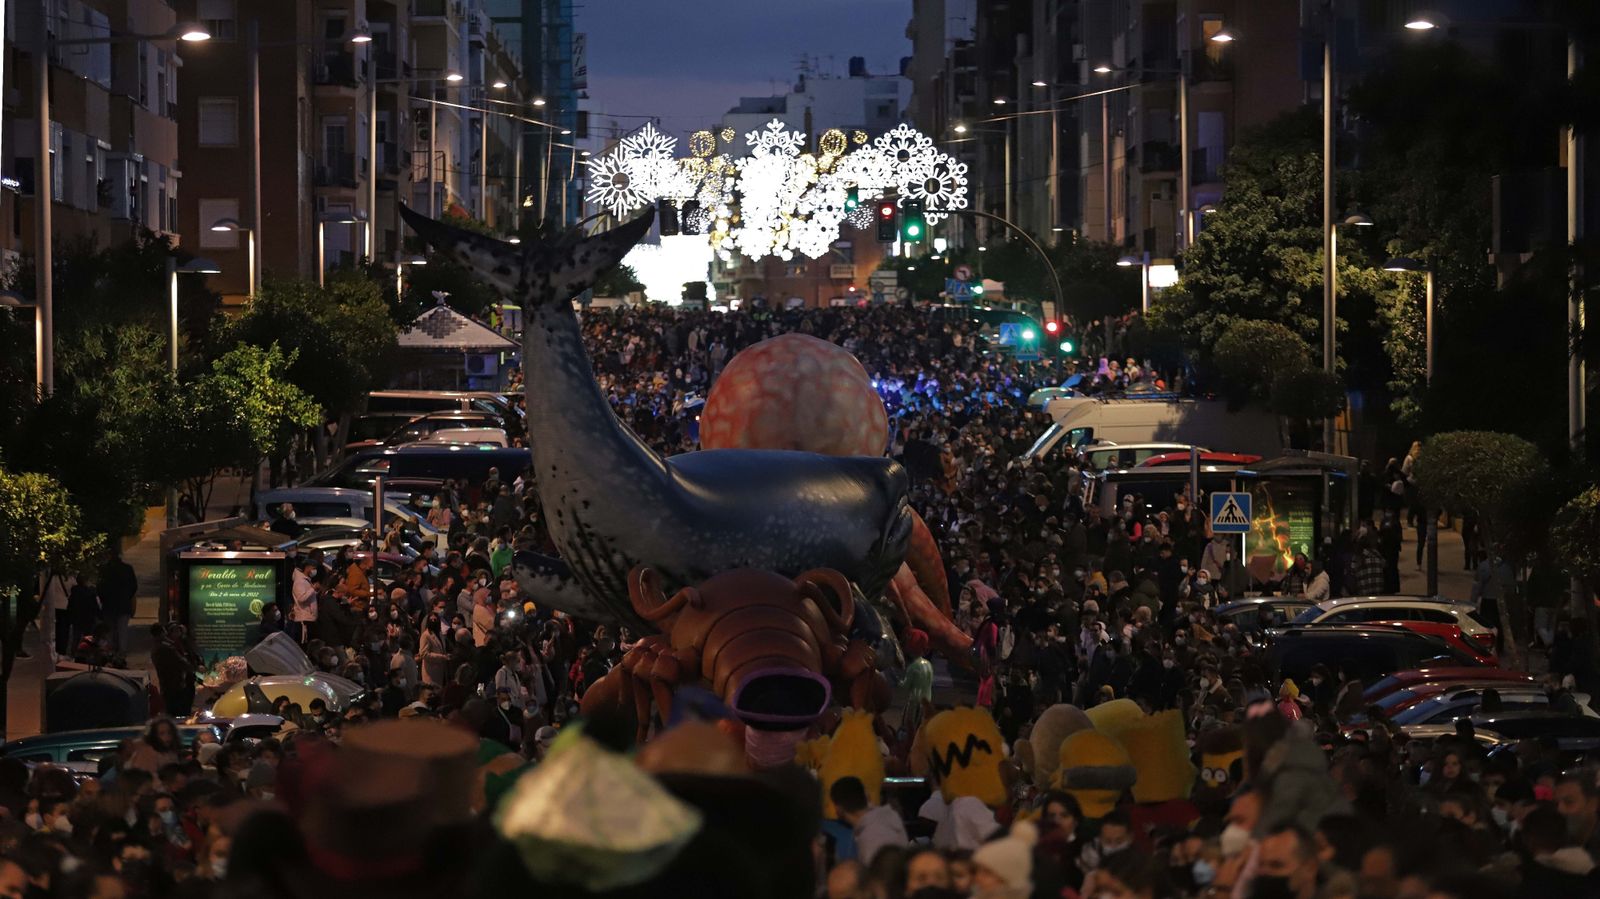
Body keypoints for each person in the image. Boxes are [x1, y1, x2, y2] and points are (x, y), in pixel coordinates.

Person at [829, 776, 907, 867]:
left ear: (838, 808)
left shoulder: (871, 837)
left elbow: (878, 878)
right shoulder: (886, 817)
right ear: (866, 796)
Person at [97, 550, 136, 654]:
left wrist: (103, 599)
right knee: (122, 630)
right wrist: (127, 597)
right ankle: (122, 652)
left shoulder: (104, 570)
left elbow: (100, 588)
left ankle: (111, 651)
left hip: (109, 605)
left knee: (110, 630)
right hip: (124, 605)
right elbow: (134, 587)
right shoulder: (127, 569)